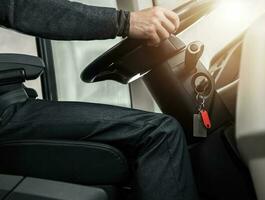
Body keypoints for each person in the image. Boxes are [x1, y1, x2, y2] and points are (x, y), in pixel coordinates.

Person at [0, 1, 199, 200]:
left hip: (10, 103)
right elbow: (19, 7)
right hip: (5, 112)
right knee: (160, 133)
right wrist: (126, 22)